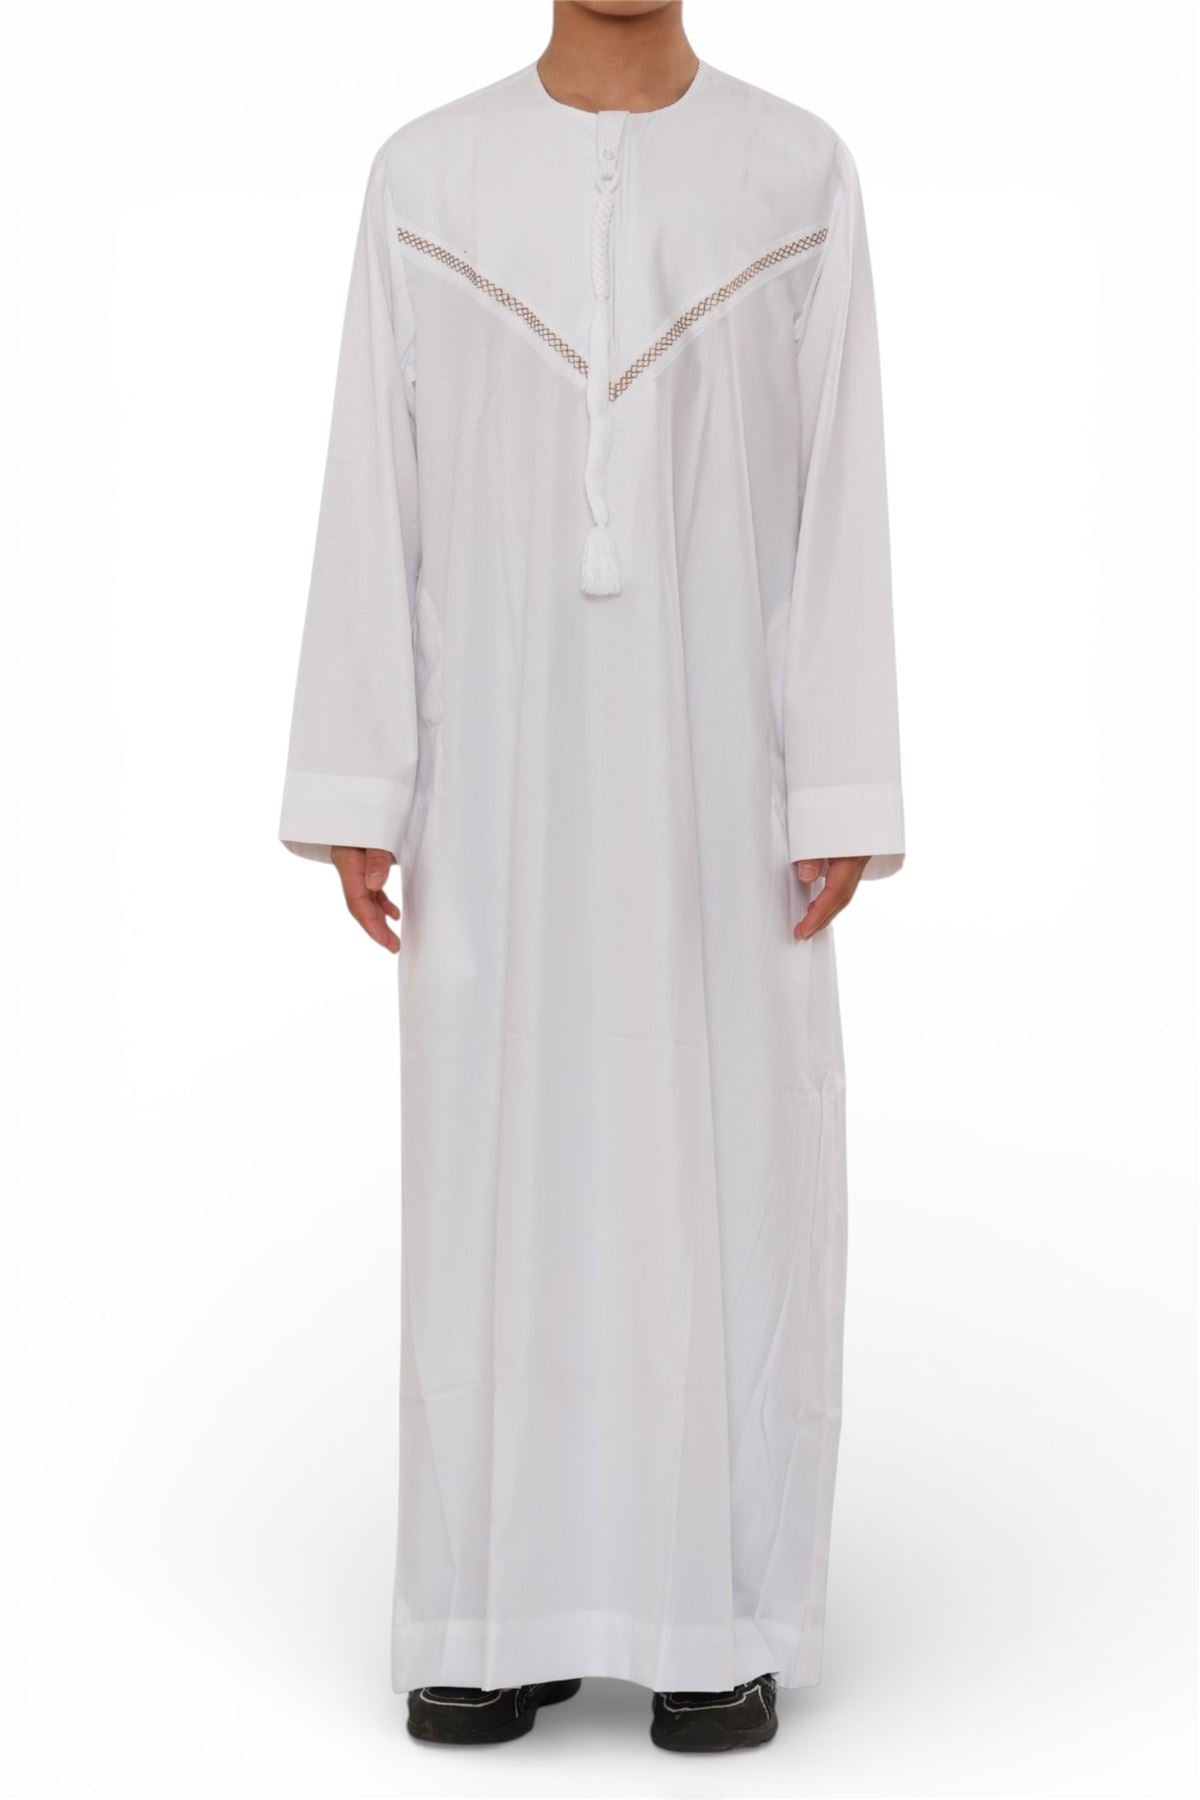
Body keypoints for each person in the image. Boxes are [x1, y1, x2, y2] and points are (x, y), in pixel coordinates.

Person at [278, 0, 904, 1755]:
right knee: (498, 1159)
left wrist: (839, 772)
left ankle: (715, 1616)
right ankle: (489, 1610)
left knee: (727, 1160)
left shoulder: (796, 176)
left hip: (722, 791)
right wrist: (365, 773)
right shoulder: (428, 180)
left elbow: (840, 498)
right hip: (496, 781)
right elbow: (375, 486)